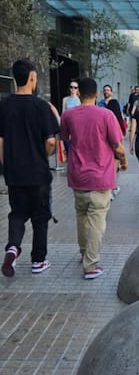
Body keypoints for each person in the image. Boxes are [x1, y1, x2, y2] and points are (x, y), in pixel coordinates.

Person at [59, 77, 128, 280]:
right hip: (100, 176)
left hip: (77, 176)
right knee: (97, 221)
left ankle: (84, 254)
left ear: (78, 93)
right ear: (97, 94)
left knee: (81, 217)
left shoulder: (69, 115)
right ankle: (91, 265)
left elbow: (65, 138)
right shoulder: (106, 115)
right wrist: (123, 159)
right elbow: (117, 146)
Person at [0, 59, 59, 276]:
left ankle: (13, 248)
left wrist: (9, 164)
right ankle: (38, 261)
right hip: (38, 174)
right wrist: (42, 156)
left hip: (15, 174)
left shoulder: (4, 105)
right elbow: (52, 141)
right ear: (32, 77)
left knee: (17, 214)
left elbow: (1, 141)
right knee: (40, 217)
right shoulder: (41, 106)